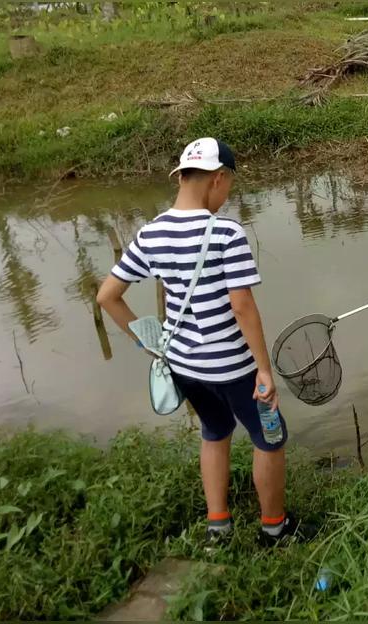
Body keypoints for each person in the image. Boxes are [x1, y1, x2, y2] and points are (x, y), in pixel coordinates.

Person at [97, 138, 304, 547]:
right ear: (218, 178)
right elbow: (242, 306)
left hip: (184, 366)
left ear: (182, 177)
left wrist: (149, 345)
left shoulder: (153, 232)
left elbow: (107, 296)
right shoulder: (225, 231)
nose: (227, 196)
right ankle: (274, 529)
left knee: (214, 431)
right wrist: (263, 368)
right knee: (271, 438)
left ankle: (218, 526)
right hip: (233, 367)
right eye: (228, 186)